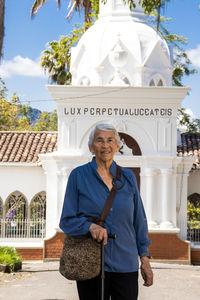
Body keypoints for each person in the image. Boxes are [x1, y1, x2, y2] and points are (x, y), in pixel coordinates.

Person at [59, 123, 153, 300]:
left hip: (125, 262)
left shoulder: (128, 177)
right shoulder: (78, 176)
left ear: (117, 146)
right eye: (99, 140)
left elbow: (139, 219)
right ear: (91, 147)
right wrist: (89, 227)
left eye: (110, 140)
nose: (105, 145)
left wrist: (145, 258)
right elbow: (66, 220)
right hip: (90, 263)